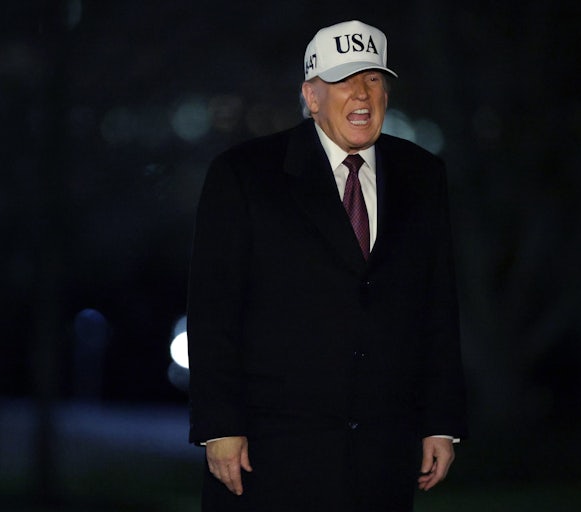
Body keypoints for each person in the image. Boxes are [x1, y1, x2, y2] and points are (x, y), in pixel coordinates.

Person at [186, 19, 467, 512]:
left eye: (374, 79)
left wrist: (440, 423)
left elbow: (437, 305)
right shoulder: (245, 175)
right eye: (343, 80)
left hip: (383, 454)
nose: (361, 92)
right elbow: (213, 309)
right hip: (271, 455)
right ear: (311, 97)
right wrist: (219, 426)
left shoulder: (424, 176)